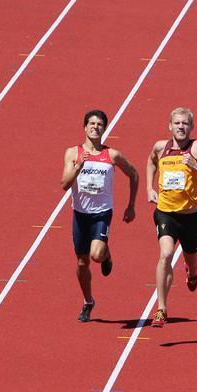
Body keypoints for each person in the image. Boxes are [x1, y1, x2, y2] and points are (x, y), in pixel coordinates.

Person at [146, 107, 197, 327]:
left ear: (191, 127)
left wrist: (196, 166)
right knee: (166, 255)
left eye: (185, 124)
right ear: (169, 125)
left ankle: (192, 272)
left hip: (189, 217)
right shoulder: (161, 147)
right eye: (177, 123)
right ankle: (161, 308)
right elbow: (151, 161)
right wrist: (149, 188)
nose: (181, 127)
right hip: (165, 213)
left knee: (192, 258)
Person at [61, 110, 139, 323]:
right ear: (85, 127)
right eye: (92, 123)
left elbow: (134, 174)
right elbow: (64, 184)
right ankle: (88, 301)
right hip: (80, 215)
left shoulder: (112, 155)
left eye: (100, 124)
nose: (95, 127)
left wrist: (131, 206)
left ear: (104, 129)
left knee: (96, 255)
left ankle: (106, 255)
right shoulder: (72, 153)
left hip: (102, 214)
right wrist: (78, 167)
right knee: (82, 262)